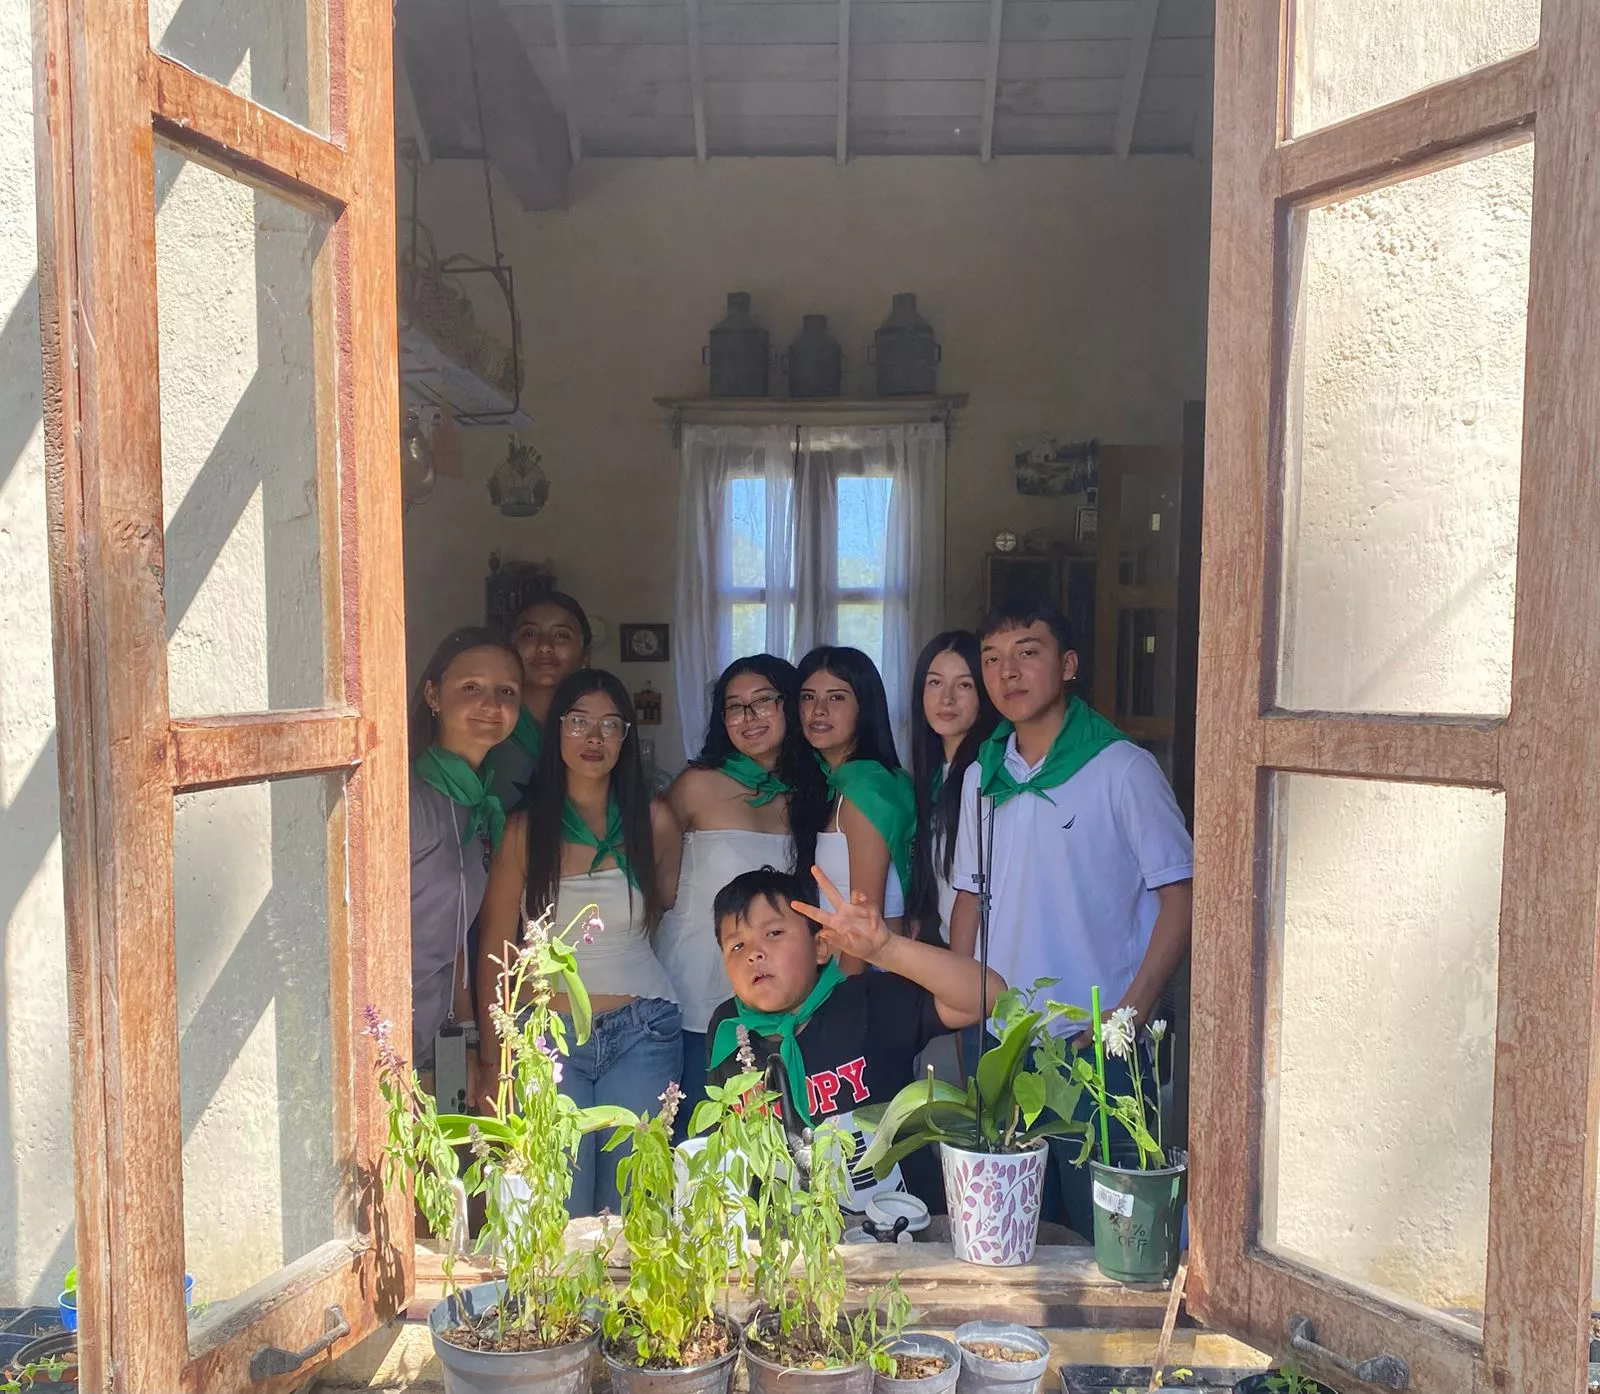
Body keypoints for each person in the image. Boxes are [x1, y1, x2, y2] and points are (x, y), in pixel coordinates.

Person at [948, 597, 1193, 1236]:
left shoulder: (1123, 769)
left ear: (1069, 664)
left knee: (1107, 1231)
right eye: (993, 660)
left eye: (1028, 653)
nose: (1009, 674)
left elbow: (1182, 895)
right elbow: (970, 898)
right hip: (1005, 1040)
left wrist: (1131, 1014)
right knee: (1014, 1228)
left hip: (1099, 1041)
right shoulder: (982, 775)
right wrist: (966, 1006)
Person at [478, 669, 684, 1216]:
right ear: (557, 733)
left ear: (626, 739)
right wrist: (495, 1055)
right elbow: (498, 953)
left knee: (632, 1206)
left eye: (609, 725)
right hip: (549, 1039)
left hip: (643, 1030)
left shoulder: (654, 821)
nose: (594, 738)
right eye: (579, 722)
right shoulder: (526, 829)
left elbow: (662, 914)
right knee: (559, 1202)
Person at [705, 864, 1005, 1212]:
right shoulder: (728, 1030)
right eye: (737, 945)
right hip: (793, 1247)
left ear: (821, 947)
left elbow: (989, 996)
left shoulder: (863, 1002)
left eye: (773, 933)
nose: (754, 953)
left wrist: (887, 950)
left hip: (905, 1230)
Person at [656, 655, 829, 1136]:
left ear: (790, 706)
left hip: (773, 995)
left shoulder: (811, 791)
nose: (748, 719)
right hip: (694, 984)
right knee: (695, 1138)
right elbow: (655, 888)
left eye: (763, 703)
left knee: (767, 1141)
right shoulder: (696, 786)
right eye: (734, 708)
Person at [408, 627, 523, 1100]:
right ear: (433, 695)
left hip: (435, 1037)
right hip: (382, 1034)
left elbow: (457, 939)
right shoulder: (405, 799)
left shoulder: (478, 808)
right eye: (471, 688)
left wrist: (473, 1044)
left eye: (506, 693)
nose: (490, 705)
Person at [796, 647, 916, 957]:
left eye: (836, 697)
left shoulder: (867, 789)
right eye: (808, 697)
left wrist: (846, 994)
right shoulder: (832, 783)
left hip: (869, 972)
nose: (818, 710)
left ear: (865, 707)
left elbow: (864, 925)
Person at [906, 631, 999, 944]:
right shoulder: (931, 776)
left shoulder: (990, 775)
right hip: (949, 949)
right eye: (935, 682)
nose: (947, 699)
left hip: (989, 959)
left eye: (964, 684)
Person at [484, 591, 592, 811]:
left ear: (585, 657)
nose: (544, 646)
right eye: (530, 634)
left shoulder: (598, 728)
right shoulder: (486, 718)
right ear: (511, 648)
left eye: (561, 635)